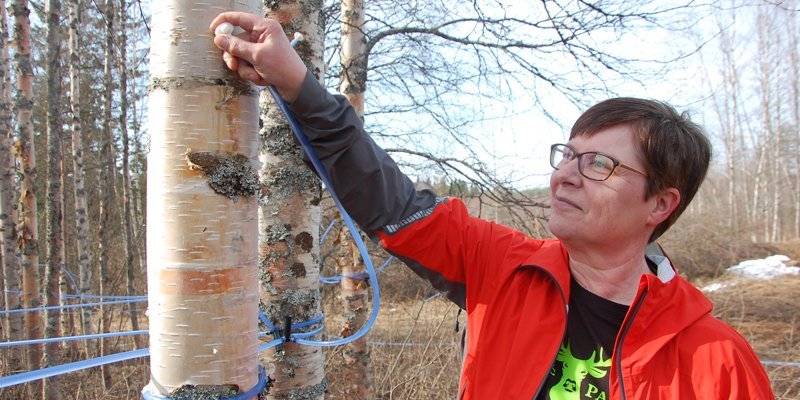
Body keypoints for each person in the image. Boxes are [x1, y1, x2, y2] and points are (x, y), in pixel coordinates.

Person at [210, 12, 775, 399]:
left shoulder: (717, 362)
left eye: (599, 165)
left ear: (661, 203)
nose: (564, 177)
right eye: (567, 154)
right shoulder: (500, 268)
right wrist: (297, 84)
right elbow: (391, 201)